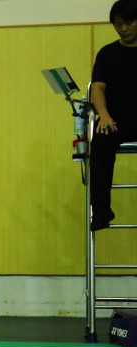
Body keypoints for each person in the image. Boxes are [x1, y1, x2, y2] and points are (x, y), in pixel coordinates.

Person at [89, 0, 137, 231]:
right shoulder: (107, 53)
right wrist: (104, 115)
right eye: (118, 24)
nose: (123, 29)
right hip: (117, 120)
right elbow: (97, 87)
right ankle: (101, 211)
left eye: (128, 23)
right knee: (100, 141)